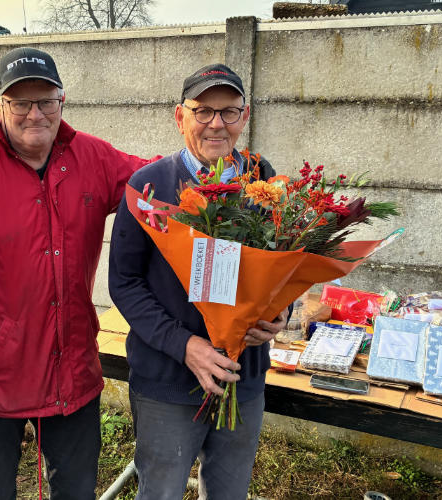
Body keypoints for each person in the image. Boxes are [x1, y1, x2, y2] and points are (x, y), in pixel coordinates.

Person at [0, 47, 155, 500]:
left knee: (75, 491)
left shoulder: (90, 157)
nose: (35, 113)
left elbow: (158, 185)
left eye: (46, 101)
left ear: (62, 102)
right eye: (21, 102)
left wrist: (224, 179)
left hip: (72, 367)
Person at [108, 63, 289, 499]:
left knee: (229, 492)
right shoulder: (148, 187)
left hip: (240, 380)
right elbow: (125, 283)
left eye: (229, 112)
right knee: (161, 491)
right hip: (167, 383)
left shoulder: (263, 181)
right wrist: (186, 346)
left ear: (244, 118)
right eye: (203, 110)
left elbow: (284, 265)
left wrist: (280, 313)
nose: (216, 124)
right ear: (180, 116)